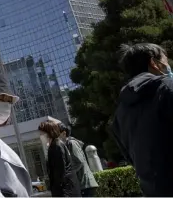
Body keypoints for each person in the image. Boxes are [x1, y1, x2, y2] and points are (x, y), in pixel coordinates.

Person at [112, 43, 173, 196]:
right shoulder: (167, 87)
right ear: (154, 62)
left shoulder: (120, 113)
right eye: (166, 61)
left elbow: (132, 158)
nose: (168, 65)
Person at [39, 120, 80, 197]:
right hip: (66, 188)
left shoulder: (56, 146)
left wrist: (56, 188)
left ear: (49, 132)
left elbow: (60, 171)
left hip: (65, 190)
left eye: (42, 133)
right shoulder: (55, 145)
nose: (40, 136)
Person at [58, 123, 98, 197]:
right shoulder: (66, 144)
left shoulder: (71, 143)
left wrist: (67, 173)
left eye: (57, 134)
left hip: (85, 184)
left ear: (64, 133)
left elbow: (79, 162)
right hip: (82, 184)